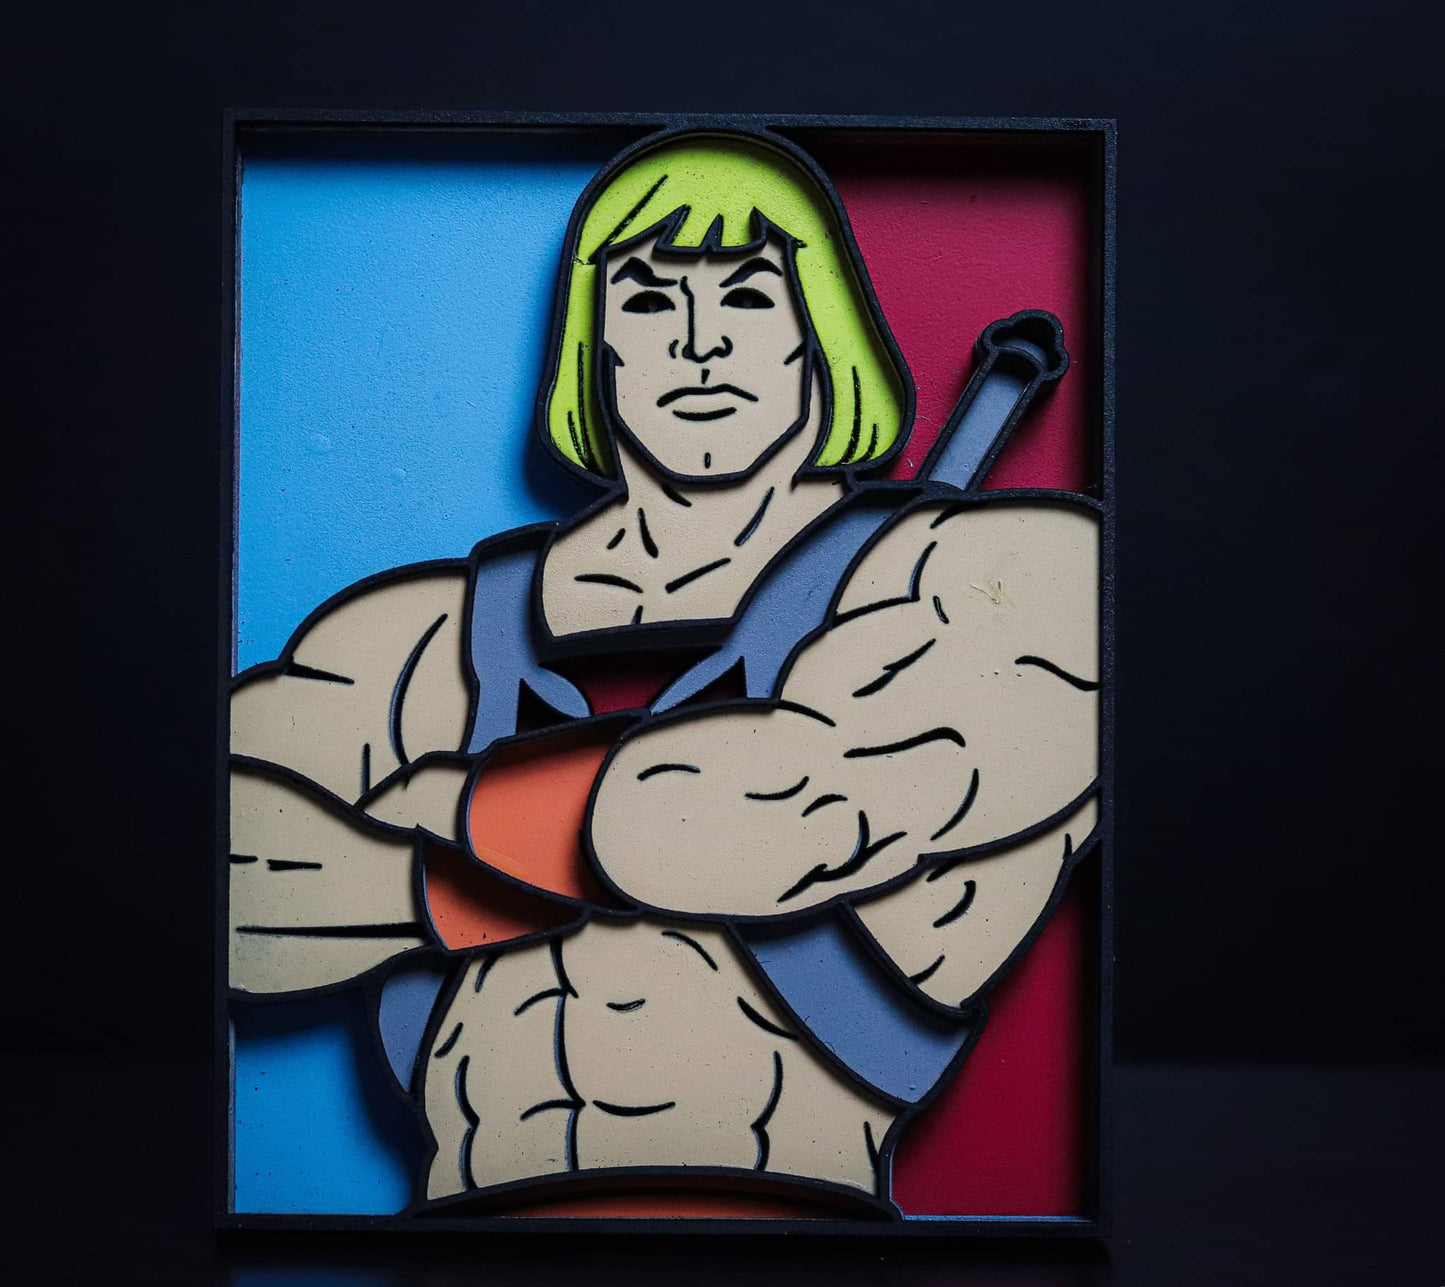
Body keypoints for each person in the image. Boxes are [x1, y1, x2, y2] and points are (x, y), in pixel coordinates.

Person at [228, 130, 1099, 1216]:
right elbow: (211, 875)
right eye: (645, 300)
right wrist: (452, 887)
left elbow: (747, 813)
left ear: (819, 335)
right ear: (593, 348)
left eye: (747, 296)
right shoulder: (427, 630)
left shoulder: (1007, 573)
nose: (697, 342)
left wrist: (447, 818)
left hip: (809, 1233)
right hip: (467, 1233)